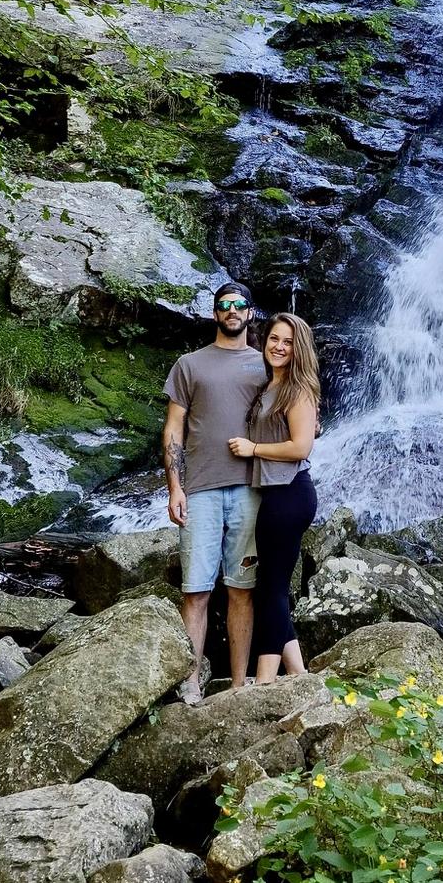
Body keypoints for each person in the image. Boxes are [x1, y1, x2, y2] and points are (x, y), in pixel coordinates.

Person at [162, 280, 267, 702]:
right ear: (214, 313)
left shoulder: (266, 365)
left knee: (242, 589)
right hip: (201, 489)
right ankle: (190, 681)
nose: (232, 310)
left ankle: (239, 686)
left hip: (249, 489)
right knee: (196, 590)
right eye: (224, 305)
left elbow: (293, 408)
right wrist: (174, 487)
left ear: (250, 312)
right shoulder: (189, 365)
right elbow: (173, 428)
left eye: (239, 304)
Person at [228, 311, 319, 683]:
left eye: (288, 342)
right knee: (272, 587)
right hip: (276, 494)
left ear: (299, 350)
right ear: (263, 343)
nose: (279, 347)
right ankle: (298, 674)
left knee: (271, 589)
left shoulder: (297, 390)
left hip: (289, 494)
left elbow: (301, 446)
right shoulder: (269, 385)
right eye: (274, 340)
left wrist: (253, 449)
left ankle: (265, 681)